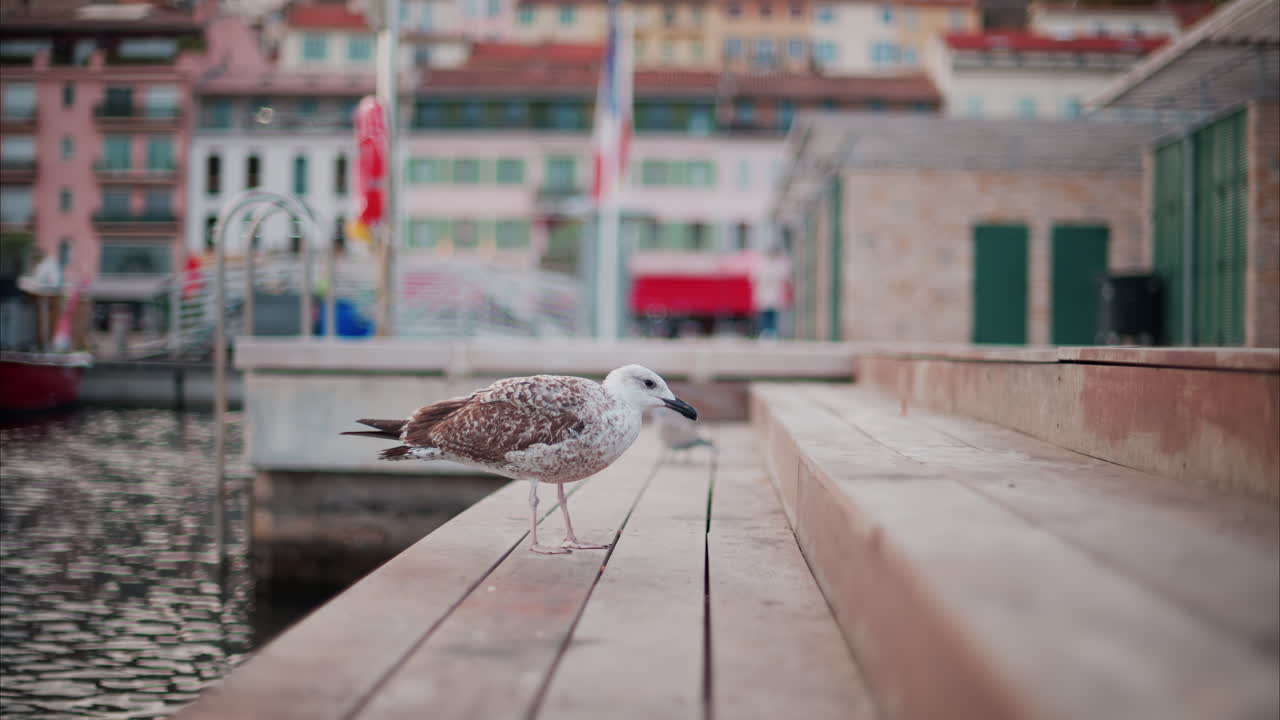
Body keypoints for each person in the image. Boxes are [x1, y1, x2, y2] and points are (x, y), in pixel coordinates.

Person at [751, 244, 790, 339]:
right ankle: (765, 332)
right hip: (765, 294)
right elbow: (755, 277)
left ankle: (772, 332)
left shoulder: (779, 264)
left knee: (773, 315)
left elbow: (784, 275)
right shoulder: (762, 264)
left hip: (773, 295)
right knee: (765, 315)